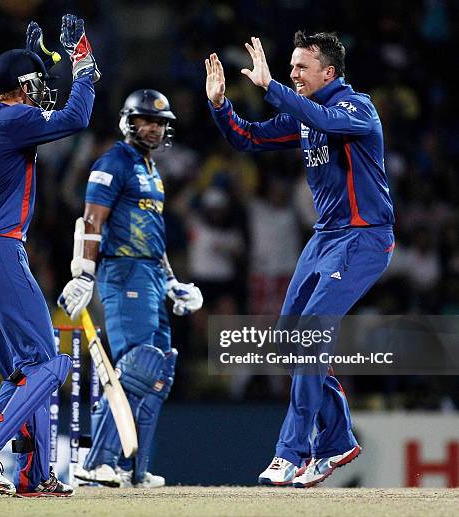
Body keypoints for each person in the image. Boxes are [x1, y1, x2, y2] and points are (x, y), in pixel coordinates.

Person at [205, 31, 395, 487]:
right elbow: (248, 139)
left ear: (328, 73)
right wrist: (220, 106)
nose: (292, 73)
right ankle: (338, 440)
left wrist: (273, 89)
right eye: (289, 67)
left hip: (363, 238)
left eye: (300, 67)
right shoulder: (305, 113)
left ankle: (292, 451)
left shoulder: (358, 109)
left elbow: (323, 119)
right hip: (324, 238)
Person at [0, 15, 99, 497]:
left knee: (22, 372)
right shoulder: (13, 119)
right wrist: (83, 63)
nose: (38, 93)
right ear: (15, 91)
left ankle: (33, 474)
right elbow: (75, 116)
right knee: (51, 364)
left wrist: (31, 59)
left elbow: (15, 99)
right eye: (32, 85)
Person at [58, 89, 203, 488]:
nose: (154, 128)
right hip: (123, 274)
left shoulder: (151, 169)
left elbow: (152, 233)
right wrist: (84, 274)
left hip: (152, 274)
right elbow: (91, 220)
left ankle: (131, 469)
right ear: (129, 122)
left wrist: (172, 281)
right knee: (138, 363)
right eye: (146, 121)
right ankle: (94, 461)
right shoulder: (114, 162)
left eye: (160, 123)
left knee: (159, 369)